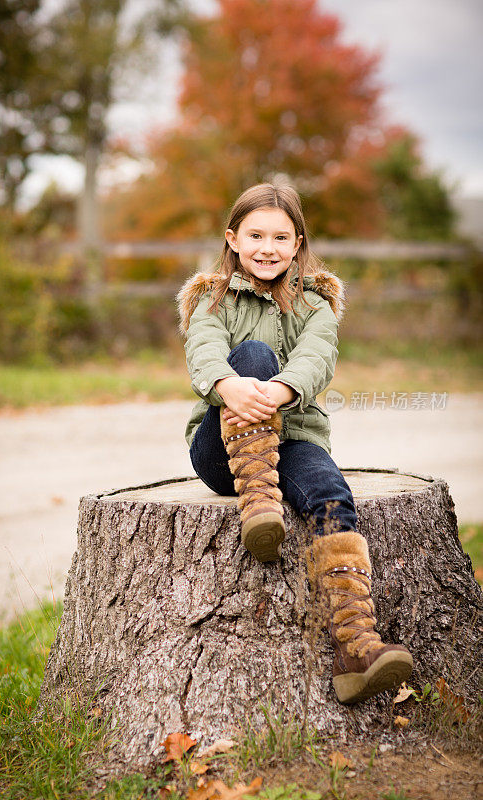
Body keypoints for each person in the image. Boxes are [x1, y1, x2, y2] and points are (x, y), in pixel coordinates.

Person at [176, 182, 412, 704]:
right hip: (221, 450)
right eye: (255, 235)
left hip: (294, 438)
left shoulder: (316, 304)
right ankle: (259, 504)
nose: (267, 247)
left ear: (298, 243)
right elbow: (203, 348)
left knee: (331, 488)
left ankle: (356, 645)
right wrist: (228, 384)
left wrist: (281, 391)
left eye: (280, 237)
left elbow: (317, 356)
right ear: (232, 239)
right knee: (254, 355)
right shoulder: (212, 299)